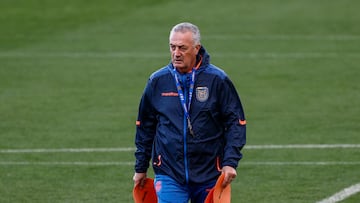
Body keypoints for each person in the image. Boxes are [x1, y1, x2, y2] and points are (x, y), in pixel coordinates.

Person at [133, 22, 246, 203]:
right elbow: (144, 126)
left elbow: (236, 122)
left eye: (182, 48)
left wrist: (230, 162)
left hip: (209, 172)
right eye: (172, 47)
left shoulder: (217, 80)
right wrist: (140, 167)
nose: (176, 53)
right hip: (169, 172)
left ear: (196, 48)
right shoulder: (157, 81)